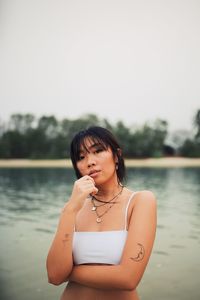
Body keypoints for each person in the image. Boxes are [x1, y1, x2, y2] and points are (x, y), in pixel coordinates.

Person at [46, 126, 157, 300]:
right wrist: (69, 209)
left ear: (117, 155)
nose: (90, 161)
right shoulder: (74, 208)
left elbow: (128, 279)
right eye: (81, 157)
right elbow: (53, 276)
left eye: (98, 151)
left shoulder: (140, 201)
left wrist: (68, 273)